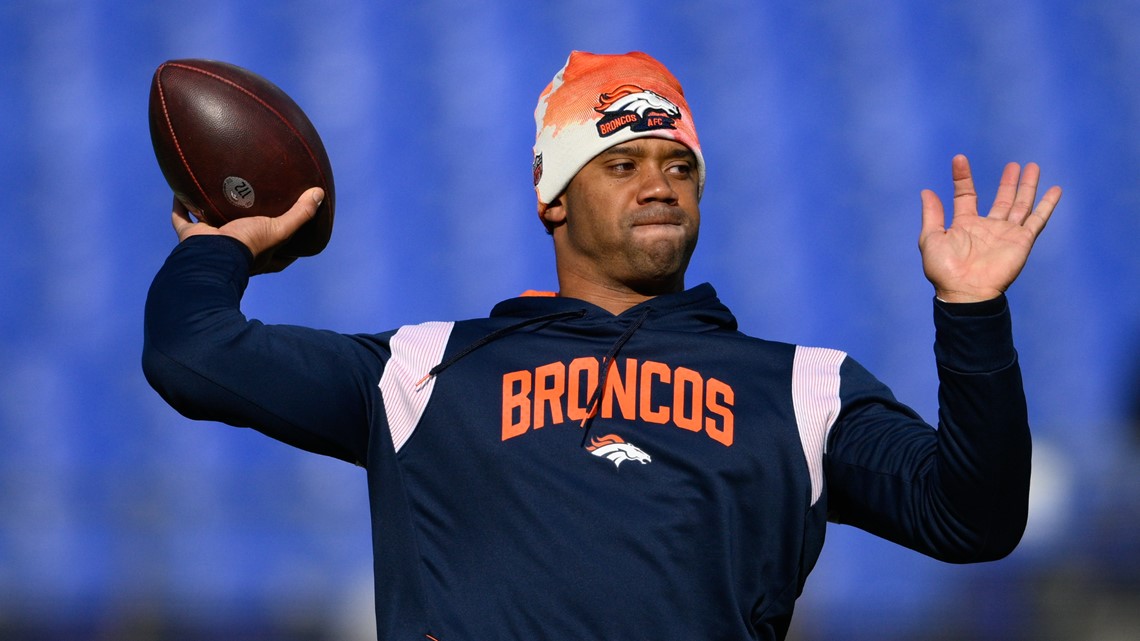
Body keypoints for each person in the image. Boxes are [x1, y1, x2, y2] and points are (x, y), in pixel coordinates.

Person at [143, 51, 1062, 640]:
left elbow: (973, 518)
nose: (658, 183)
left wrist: (972, 310)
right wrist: (227, 243)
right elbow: (193, 354)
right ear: (552, 197)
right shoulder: (427, 372)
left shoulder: (801, 387)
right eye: (620, 164)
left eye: (678, 164)